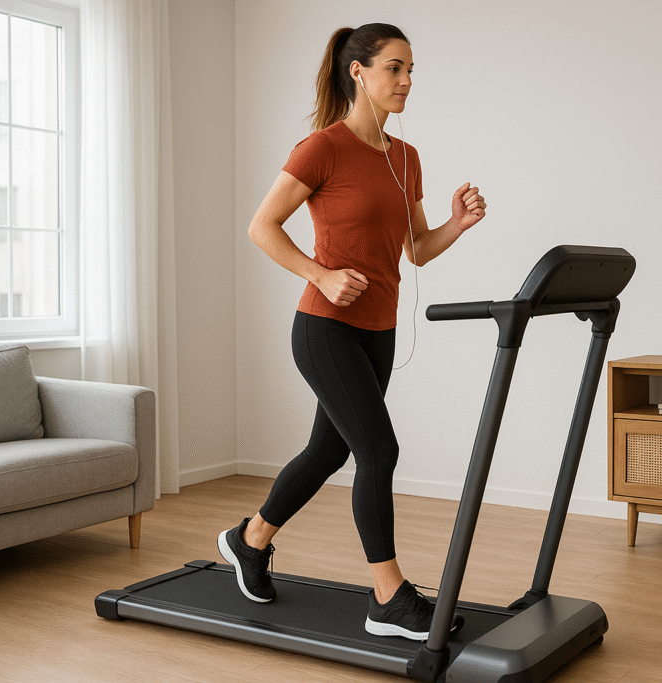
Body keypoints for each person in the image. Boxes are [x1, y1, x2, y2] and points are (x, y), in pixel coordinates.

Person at [218, 23, 486, 642]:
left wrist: (458, 224)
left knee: (329, 449)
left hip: (378, 330)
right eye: (395, 68)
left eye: (411, 69)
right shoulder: (323, 148)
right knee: (378, 450)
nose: (407, 81)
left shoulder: (406, 157)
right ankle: (387, 596)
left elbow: (416, 249)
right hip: (324, 326)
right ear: (358, 72)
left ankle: (249, 539)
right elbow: (262, 226)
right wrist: (322, 273)